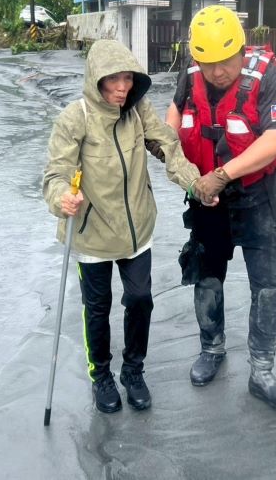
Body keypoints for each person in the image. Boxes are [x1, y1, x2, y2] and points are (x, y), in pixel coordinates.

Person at [43, 39, 200, 413]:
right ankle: (101, 377)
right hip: (91, 235)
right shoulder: (75, 117)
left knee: (141, 300)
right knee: (97, 309)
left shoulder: (138, 110)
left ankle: (133, 371)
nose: (121, 87)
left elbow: (167, 145)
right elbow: (55, 173)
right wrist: (62, 197)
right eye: (112, 79)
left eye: (127, 78)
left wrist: (196, 183)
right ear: (96, 79)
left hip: (136, 231)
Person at [166, 4, 276, 409]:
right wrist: (182, 166)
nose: (217, 72)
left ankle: (262, 371)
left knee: (269, 284)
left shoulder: (268, 78)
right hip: (207, 201)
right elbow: (172, 120)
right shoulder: (190, 77)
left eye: (225, 62)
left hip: (256, 198)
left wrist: (222, 175)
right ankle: (212, 348)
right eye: (207, 64)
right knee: (206, 276)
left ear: (241, 51)